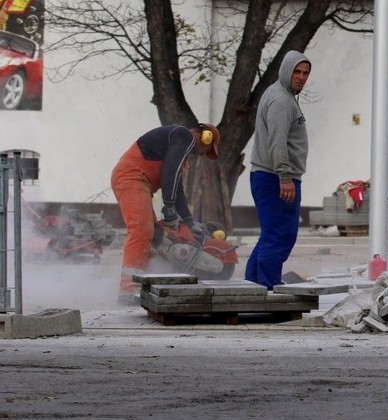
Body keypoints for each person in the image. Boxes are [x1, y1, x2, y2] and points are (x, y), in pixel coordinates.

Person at [110, 122, 220, 301]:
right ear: (205, 136)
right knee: (142, 231)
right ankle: (128, 289)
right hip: (131, 177)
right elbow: (169, 173)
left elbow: (177, 187)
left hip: (139, 181)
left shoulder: (181, 149)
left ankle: (147, 280)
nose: (202, 154)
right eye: (207, 150)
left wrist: (189, 221)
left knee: (157, 236)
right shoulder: (183, 136)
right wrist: (168, 207)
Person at [245, 50, 312, 290]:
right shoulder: (282, 101)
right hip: (275, 178)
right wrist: (285, 177)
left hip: (271, 176)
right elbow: (277, 142)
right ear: (286, 70)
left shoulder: (279, 95)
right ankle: (269, 288)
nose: (301, 77)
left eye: (305, 73)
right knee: (280, 235)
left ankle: (253, 285)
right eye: (297, 71)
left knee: (272, 234)